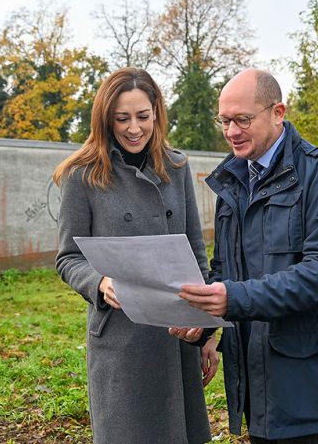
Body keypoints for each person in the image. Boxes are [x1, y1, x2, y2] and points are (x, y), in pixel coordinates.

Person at [178, 68, 318, 443]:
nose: (231, 131)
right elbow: (225, 270)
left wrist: (233, 299)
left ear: (278, 112)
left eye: (243, 119)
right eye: (224, 120)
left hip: (311, 381)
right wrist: (202, 322)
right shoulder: (232, 182)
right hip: (257, 381)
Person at [53, 67, 218, 444]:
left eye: (142, 116)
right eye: (122, 118)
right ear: (106, 119)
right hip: (121, 339)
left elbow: (195, 251)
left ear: (157, 112)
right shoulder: (84, 174)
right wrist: (99, 283)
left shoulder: (176, 167)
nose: (133, 128)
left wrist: (208, 332)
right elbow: (68, 258)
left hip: (177, 336)